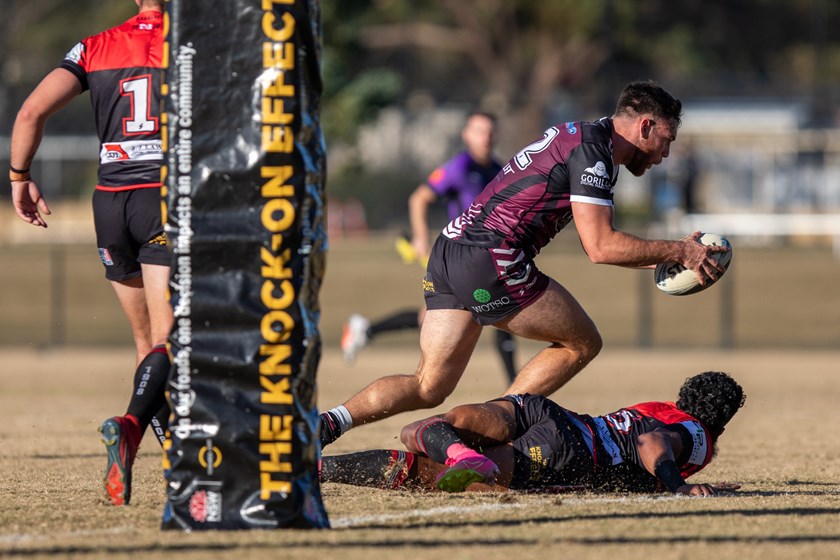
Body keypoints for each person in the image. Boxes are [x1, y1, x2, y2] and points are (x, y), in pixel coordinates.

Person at [320, 81, 730, 448]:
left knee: (428, 386)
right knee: (582, 343)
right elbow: (601, 247)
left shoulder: (582, 136)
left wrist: (663, 262)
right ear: (645, 126)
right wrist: (679, 252)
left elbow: (600, 241)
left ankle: (326, 425)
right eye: (666, 140)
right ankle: (489, 430)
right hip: (491, 258)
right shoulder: (594, 153)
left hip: (451, 249)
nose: (665, 154)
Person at [9, 0, 170, 506]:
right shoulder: (193, 44)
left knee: (146, 345)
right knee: (172, 341)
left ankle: (176, 458)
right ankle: (131, 427)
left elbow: (30, 112)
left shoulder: (95, 46)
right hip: (163, 197)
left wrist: (19, 177)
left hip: (110, 204)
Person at [321, 371, 745, 496]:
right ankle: (317, 471)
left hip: (545, 411)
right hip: (569, 451)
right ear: (721, 423)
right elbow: (651, 443)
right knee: (426, 474)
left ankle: (312, 465)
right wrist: (677, 485)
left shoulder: (664, 407)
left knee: (419, 429)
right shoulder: (698, 435)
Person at [341, 111, 518, 382]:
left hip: (483, 256)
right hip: (457, 256)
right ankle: (515, 388)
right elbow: (419, 199)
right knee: (500, 306)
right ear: (466, 135)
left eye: (490, 132)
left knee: (440, 316)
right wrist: (421, 237)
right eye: (479, 131)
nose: (485, 137)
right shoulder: (459, 167)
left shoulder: (498, 169)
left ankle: (365, 330)